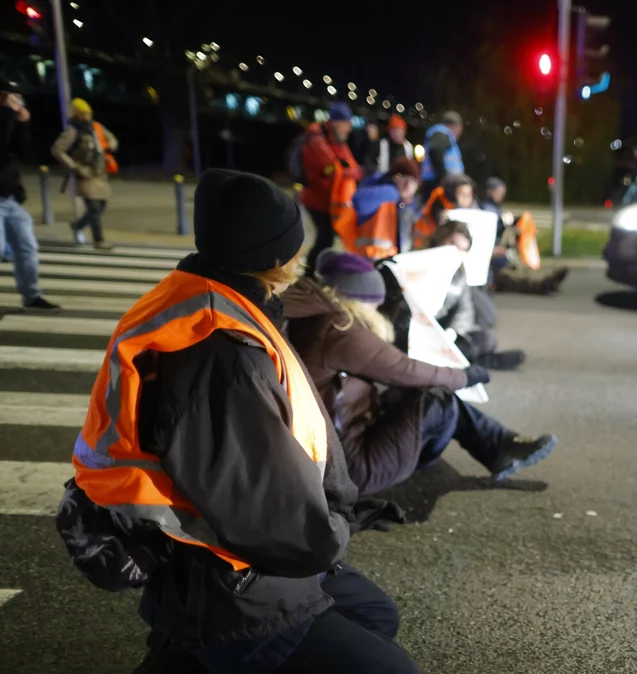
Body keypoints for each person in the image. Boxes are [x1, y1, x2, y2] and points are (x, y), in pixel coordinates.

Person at [56, 169, 418, 673]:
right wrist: (332, 530)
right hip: (230, 584)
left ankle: (183, 653)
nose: (302, 257)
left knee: (374, 612)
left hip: (221, 560)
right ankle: (197, 649)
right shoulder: (221, 351)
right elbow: (265, 511)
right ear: (273, 258)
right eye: (296, 245)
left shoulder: (210, 298)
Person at [282, 251, 557, 494]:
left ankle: (500, 444)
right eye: (373, 303)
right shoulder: (338, 328)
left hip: (329, 453)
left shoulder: (313, 316)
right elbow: (406, 369)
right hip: (348, 466)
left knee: (422, 393)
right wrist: (465, 376)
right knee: (438, 399)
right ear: (357, 298)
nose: (378, 309)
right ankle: (483, 448)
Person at [427, 220, 527, 370]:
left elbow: (465, 310)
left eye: (463, 249)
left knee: (487, 338)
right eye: (452, 244)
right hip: (423, 330)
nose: (457, 252)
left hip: (445, 333)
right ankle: (481, 361)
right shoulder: (420, 266)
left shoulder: (458, 275)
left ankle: (460, 359)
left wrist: (454, 331)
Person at [0, 88, 57, 310]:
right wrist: (6, 114)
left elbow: (24, 154)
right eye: (8, 96)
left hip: (11, 197)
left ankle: (32, 296)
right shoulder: (4, 120)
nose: (15, 101)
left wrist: (22, 125)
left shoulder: (9, 121)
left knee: (27, 247)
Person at [300, 102, 363, 274]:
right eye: (346, 123)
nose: (349, 128)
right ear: (335, 122)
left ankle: (316, 271)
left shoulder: (336, 139)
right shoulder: (316, 139)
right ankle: (309, 275)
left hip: (330, 200)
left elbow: (353, 168)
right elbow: (333, 170)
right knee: (325, 238)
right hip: (315, 200)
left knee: (328, 238)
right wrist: (347, 170)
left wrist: (347, 170)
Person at [477, 176, 568, 295]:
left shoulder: (490, 206)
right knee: (512, 278)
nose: (501, 196)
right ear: (490, 191)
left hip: (495, 253)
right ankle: (541, 285)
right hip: (490, 257)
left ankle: (542, 281)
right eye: (499, 193)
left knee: (515, 271)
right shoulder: (486, 208)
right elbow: (488, 231)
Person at [50, 97, 117, 249]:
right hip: (84, 173)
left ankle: (77, 225)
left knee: (101, 205)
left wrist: (110, 145)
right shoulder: (72, 131)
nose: (87, 116)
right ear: (77, 114)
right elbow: (57, 150)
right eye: (83, 113)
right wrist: (74, 167)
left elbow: (111, 138)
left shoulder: (96, 127)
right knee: (93, 208)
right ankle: (99, 240)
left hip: (100, 173)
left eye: (88, 113)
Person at [420, 110, 464, 194]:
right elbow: (435, 152)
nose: (459, 132)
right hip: (437, 183)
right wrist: (443, 176)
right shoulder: (441, 133)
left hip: (437, 182)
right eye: (458, 128)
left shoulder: (441, 135)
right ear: (452, 126)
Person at [366, 114, 414, 179]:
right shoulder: (380, 144)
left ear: (404, 131)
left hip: (401, 182)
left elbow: (411, 168)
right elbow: (369, 163)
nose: (397, 133)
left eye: (399, 130)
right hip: (382, 181)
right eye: (394, 130)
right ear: (390, 131)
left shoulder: (408, 147)